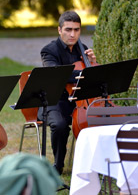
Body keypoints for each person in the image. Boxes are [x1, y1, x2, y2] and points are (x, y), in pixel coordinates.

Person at [38, 11, 96, 175]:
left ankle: (94, 163)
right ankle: (58, 164)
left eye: (76, 30)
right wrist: (86, 73)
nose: (72, 34)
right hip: (55, 100)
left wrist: (91, 64)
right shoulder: (48, 51)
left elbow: (92, 79)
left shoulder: (82, 49)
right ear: (59, 30)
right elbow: (58, 74)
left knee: (96, 120)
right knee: (60, 125)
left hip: (79, 101)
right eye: (68, 29)